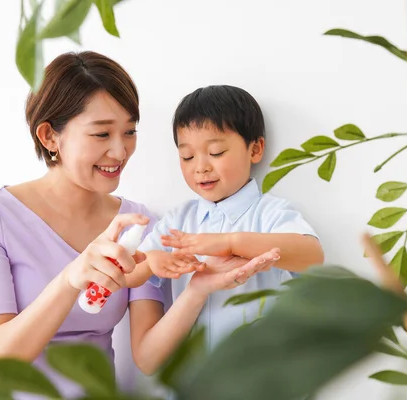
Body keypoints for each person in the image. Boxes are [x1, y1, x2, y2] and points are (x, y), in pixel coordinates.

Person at [0, 52, 270, 399]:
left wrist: (197, 288)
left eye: (129, 131)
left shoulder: (137, 222)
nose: (120, 152)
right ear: (49, 137)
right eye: (102, 134)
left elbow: (149, 355)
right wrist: (70, 279)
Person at [128, 85, 325, 375]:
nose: (200, 167)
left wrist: (231, 243)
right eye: (187, 157)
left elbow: (312, 255)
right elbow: (129, 274)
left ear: (255, 149)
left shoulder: (270, 213)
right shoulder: (176, 222)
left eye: (216, 152)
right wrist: (152, 262)